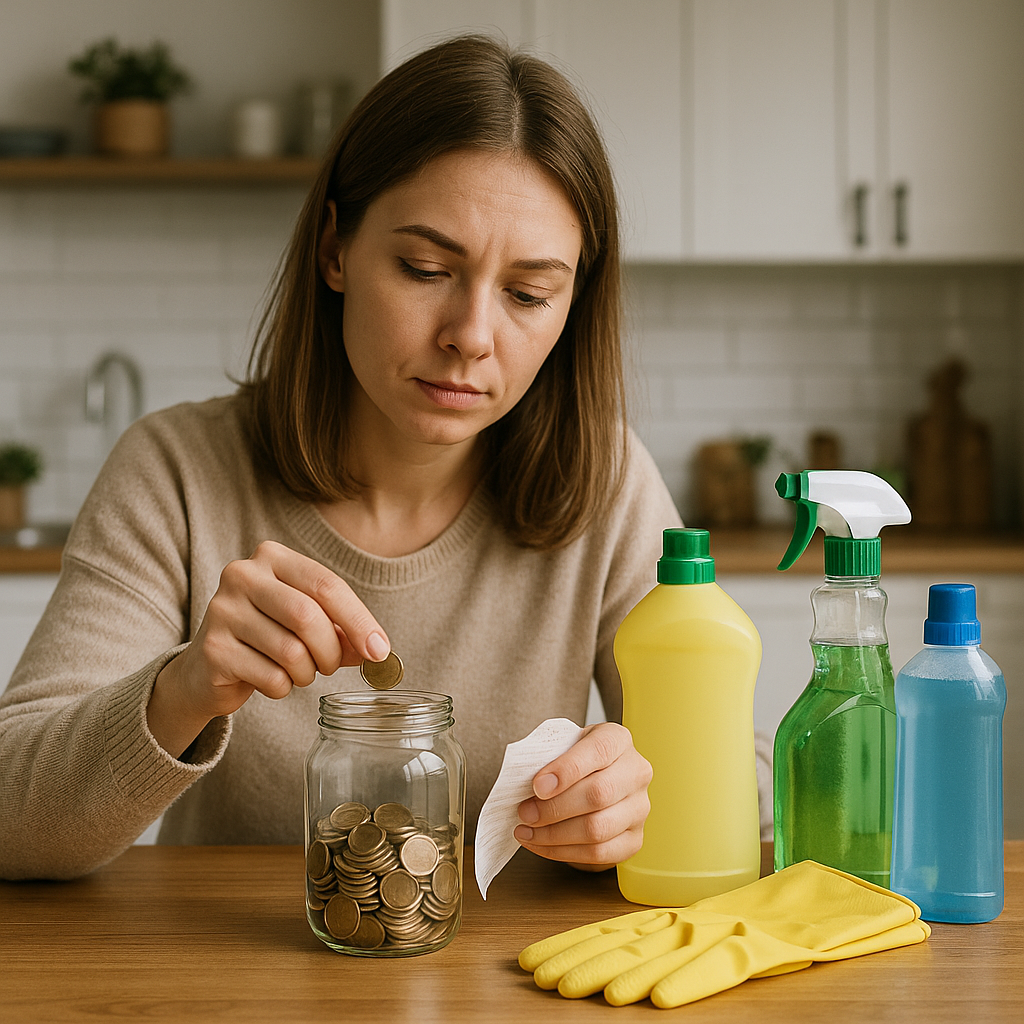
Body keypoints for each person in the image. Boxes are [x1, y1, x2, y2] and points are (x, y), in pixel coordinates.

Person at [0, 36, 768, 882]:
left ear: (572, 304)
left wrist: (639, 800)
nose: (471, 336)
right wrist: (181, 690)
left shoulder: (606, 485)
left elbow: (754, 784)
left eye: (527, 294)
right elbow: (11, 816)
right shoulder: (176, 473)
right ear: (335, 250)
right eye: (425, 267)